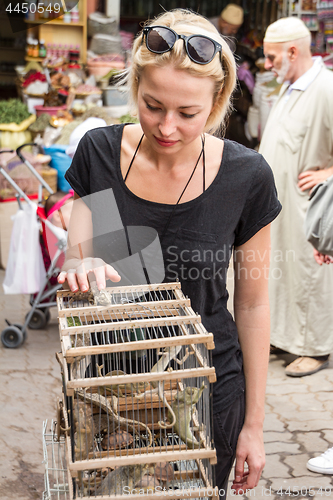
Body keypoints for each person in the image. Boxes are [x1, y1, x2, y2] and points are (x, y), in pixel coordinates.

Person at [58, 9, 281, 498]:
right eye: (152, 105)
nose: (166, 127)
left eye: (187, 113)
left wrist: (255, 427)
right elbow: (78, 260)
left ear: (218, 101)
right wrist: (84, 265)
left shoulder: (246, 178)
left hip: (207, 390)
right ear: (135, 85)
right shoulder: (98, 155)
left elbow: (253, 304)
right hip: (110, 394)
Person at [259, 17, 333, 377]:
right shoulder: (292, 86)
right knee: (281, 273)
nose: (268, 65)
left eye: (272, 57)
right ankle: (285, 338)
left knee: (308, 276)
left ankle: (315, 349)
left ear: (292, 51)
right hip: (281, 207)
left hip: (310, 210)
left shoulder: (326, 89)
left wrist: (329, 173)